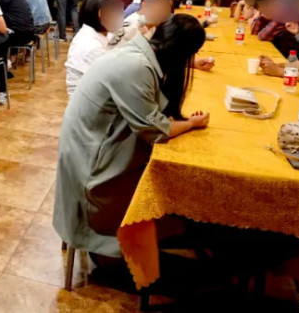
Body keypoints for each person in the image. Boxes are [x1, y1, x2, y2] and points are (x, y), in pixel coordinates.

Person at [54, 14, 209, 258]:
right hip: (90, 161)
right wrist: (190, 124)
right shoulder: (136, 66)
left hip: (91, 142)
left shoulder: (139, 51)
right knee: (169, 192)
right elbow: (156, 130)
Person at [65, 0, 123, 97]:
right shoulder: (90, 45)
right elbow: (116, 78)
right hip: (88, 102)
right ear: (101, 14)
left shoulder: (97, 32)